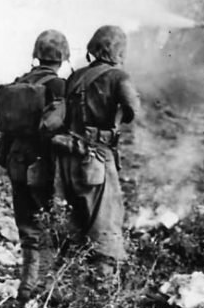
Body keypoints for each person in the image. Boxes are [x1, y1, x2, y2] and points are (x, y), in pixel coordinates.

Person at [54, 25, 141, 277]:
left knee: (78, 220)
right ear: (119, 51)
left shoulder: (75, 76)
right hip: (96, 158)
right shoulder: (118, 77)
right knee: (105, 221)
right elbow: (133, 109)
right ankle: (103, 289)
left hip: (68, 156)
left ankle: (72, 283)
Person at [0, 29, 69, 304]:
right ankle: (45, 291)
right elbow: (56, 124)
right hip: (41, 163)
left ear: (37, 54)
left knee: (27, 228)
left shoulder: (20, 81)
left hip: (15, 160)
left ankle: (26, 288)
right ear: (63, 56)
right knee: (48, 226)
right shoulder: (59, 86)